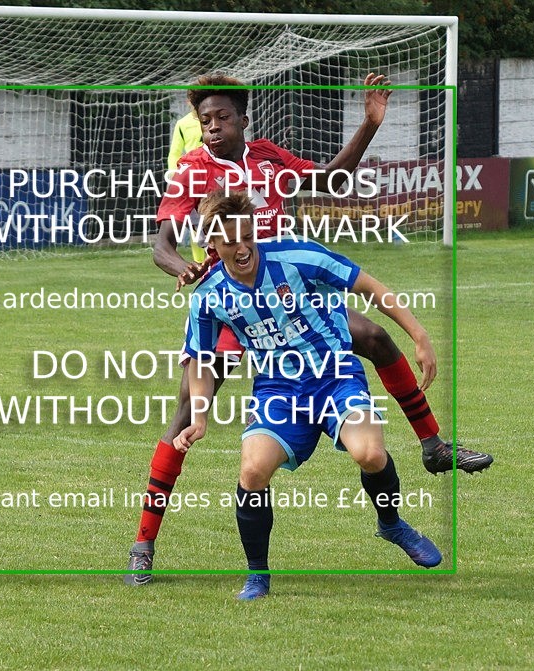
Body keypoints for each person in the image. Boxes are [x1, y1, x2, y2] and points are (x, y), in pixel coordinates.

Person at [124, 73, 491, 586]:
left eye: (221, 117)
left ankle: (432, 446)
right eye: (204, 120)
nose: (212, 127)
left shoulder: (269, 158)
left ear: (243, 119)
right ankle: (145, 541)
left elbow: (334, 181)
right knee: (189, 411)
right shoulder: (191, 171)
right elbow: (161, 244)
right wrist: (179, 269)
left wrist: (368, 125)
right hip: (237, 304)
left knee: (375, 337)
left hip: (294, 290)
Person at [174, 189, 443, 600]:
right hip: (278, 392)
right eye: (229, 241)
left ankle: (391, 523)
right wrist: (199, 417)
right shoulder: (209, 296)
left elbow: (367, 286)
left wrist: (419, 335)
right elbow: (200, 359)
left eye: (247, 235)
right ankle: (257, 576)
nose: (242, 247)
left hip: (335, 376)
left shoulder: (297, 256)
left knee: (370, 454)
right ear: (211, 244)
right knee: (252, 471)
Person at [167, 110, 207, 263]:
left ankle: (217, 261)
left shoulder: (215, 120)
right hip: (193, 179)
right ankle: (200, 263)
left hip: (214, 175)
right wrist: (174, 176)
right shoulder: (183, 123)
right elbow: (174, 152)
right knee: (196, 224)